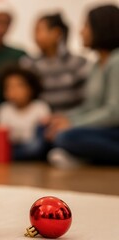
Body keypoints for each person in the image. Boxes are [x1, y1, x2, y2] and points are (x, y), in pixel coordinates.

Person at [46, 4, 119, 168]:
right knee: (47, 129)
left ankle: (83, 155)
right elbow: (90, 107)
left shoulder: (116, 61)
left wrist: (73, 124)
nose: (81, 31)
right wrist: (63, 118)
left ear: (101, 27)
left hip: (114, 131)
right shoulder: (96, 65)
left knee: (66, 136)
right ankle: (84, 156)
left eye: (86, 25)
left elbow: (114, 113)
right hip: (100, 129)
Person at [21, 13, 90, 113]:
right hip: (41, 120)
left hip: (72, 120)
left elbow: (85, 99)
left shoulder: (77, 63)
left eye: (38, 30)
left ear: (56, 33)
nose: (35, 36)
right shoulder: (29, 64)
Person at [0, 65, 51, 160]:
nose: (14, 91)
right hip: (11, 147)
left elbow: (43, 137)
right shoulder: (3, 109)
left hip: (33, 145)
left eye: (19, 86)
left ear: (30, 88)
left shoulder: (40, 107)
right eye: (9, 87)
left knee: (36, 146)